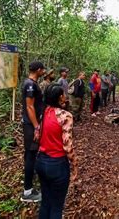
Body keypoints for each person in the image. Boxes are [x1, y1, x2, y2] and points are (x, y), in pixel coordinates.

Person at [36, 83, 77, 218]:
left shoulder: (43, 112)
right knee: (57, 207)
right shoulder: (66, 116)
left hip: (41, 162)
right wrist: (75, 165)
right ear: (60, 97)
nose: (66, 96)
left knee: (45, 202)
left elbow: (37, 136)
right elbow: (67, 146)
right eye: (64, 94)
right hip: (57, 165)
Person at [20, 61, 46, 202]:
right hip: (31, 125)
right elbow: (30, 107)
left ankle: (29, 186)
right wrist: (36, 126)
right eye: (42, 69)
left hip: (32, 124)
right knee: (30, 155)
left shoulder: (32, 83)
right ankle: (28, 192)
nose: (44, 72)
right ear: (38, 70)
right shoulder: (30, 84)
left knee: (31, 155)